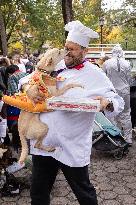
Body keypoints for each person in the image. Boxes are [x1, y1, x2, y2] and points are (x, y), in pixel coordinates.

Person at [19, 20, 124, 205]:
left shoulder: (95, 74)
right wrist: (28, 88)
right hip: (44, 145)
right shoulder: (54, 65)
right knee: (38, 194)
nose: (67, 52)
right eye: (66, 47)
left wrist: (107, 103)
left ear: (85, 51)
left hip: (71, 146)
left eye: (73, 49)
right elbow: (26, 80)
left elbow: (117, 101)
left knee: (85, 194)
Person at [102, 44, 132, 146]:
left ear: (112, 52)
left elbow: (103, 79)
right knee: (126, 114)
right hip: (125, 92)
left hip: (111, 93)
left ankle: (115, 137)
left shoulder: (106, 63)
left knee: (111, 114)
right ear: (121, 52)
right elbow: (129, 80)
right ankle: (128, 139)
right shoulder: (127, 63)